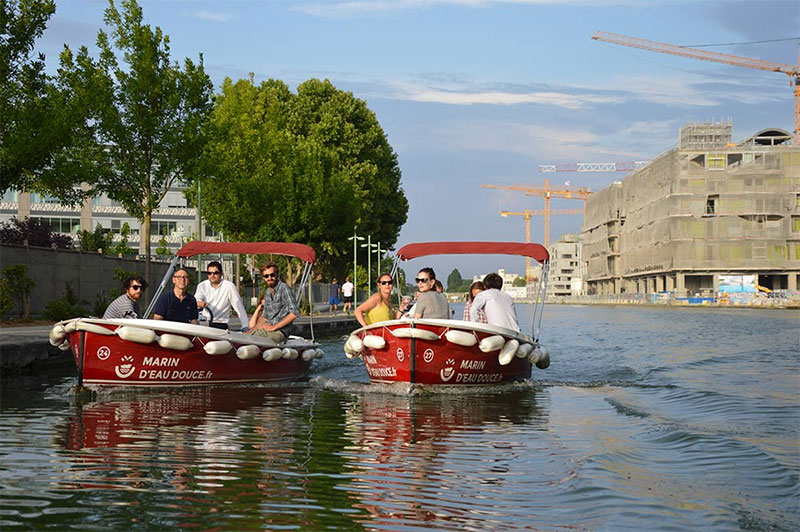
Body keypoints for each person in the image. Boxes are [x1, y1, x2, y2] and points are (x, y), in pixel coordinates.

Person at [248, 261, 300, 343]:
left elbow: (295, 313)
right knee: (248, 334)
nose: (269, 278)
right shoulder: (267, 293)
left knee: (254, 336)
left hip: (279, 332)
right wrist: (251, 330)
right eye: (266, 276)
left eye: (272, 275)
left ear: (277, 275)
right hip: (267, 330)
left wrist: (274, 327)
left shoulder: (284, 289)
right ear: (263, 278)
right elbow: (264, 317)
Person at [194, 261, 249, 331]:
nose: (212, 275)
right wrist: (199, 302)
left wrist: (245, 326)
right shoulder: (202, 285)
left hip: (221, 324)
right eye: (209, 273)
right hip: (205, 322)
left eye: (215, 273)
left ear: (221, 274)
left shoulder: (229, 286)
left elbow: (239, 307)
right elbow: (196, 300)